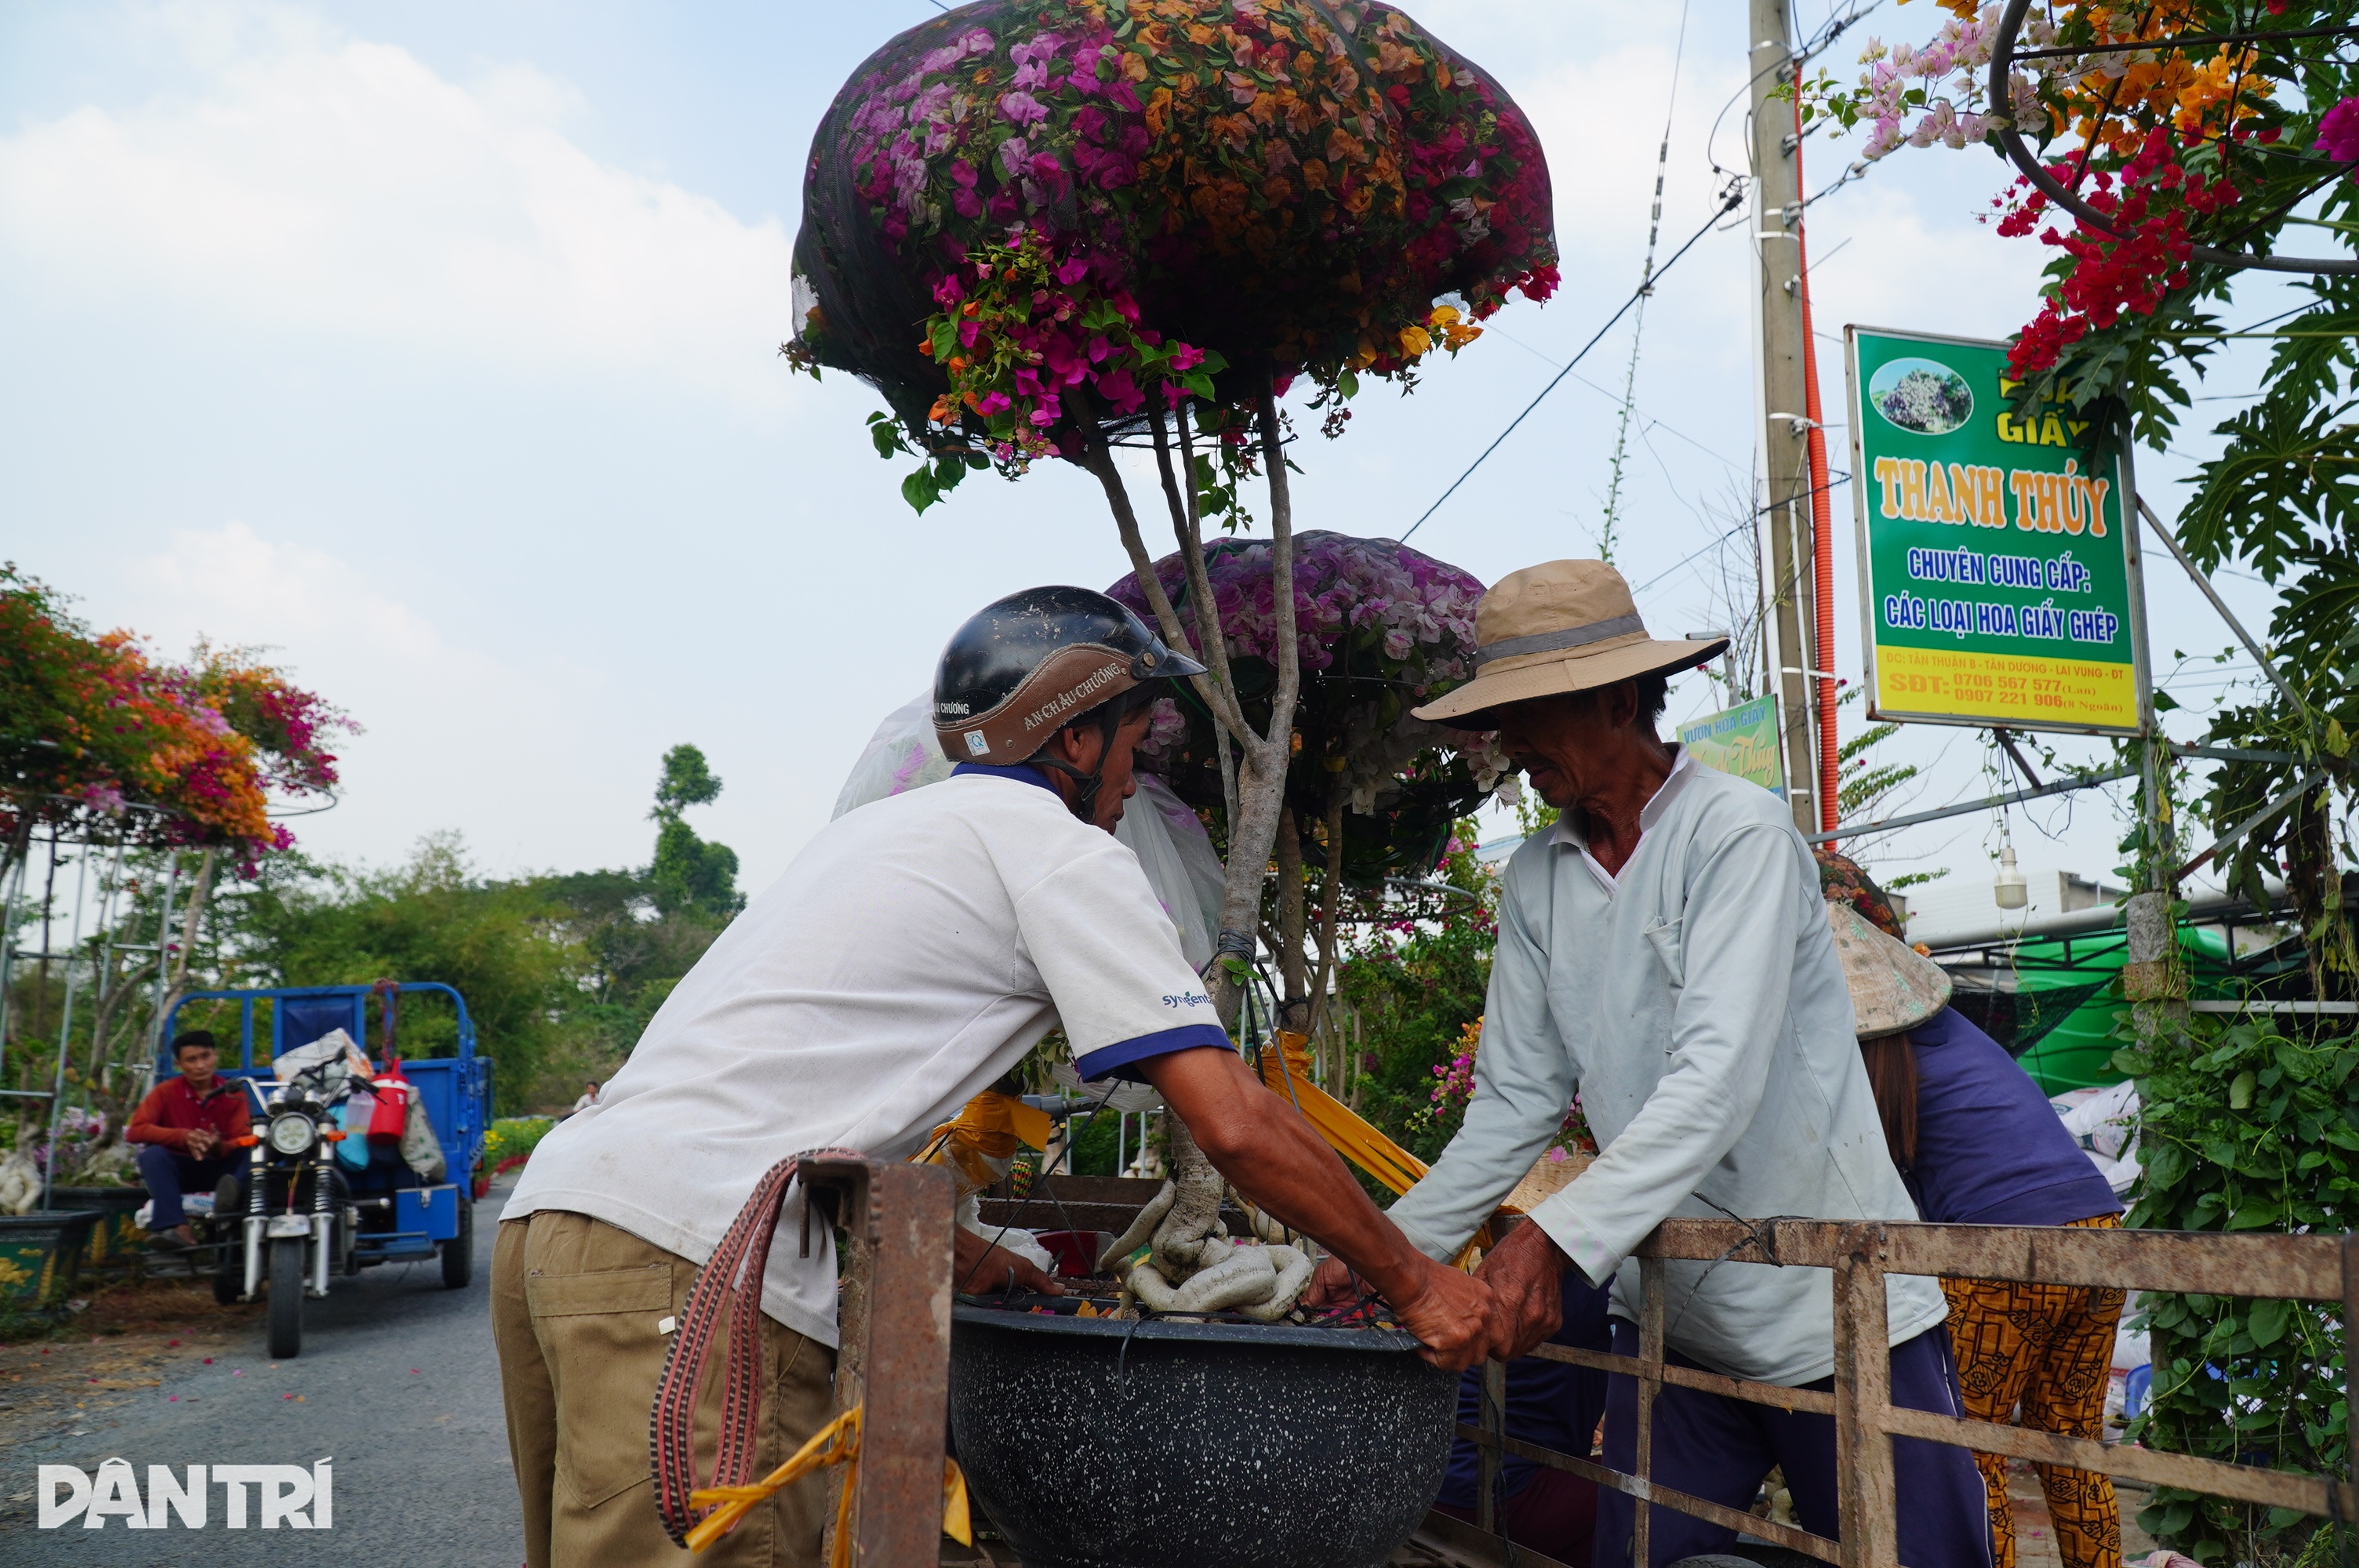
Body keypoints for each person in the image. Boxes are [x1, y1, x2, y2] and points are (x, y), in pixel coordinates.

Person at [495, 586, 1492, 1568]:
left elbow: (797, 1086)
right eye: (1136, 742)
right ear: (1071, 741)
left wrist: (967, 1260)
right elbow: (1230, 1122)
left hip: (561, 1219)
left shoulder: (879, 835)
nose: (1136, 780)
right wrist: (1412, 1281)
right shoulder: (1058, 852)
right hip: (690, 1251)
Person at [1322, 559, 1990, 1566]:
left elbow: (1714, 1081)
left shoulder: (1738, 833)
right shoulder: (1540, 874)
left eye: (1528, 714)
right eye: (1498, 719)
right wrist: (1380, 1254)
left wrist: (1547, 1240)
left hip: (1832, 1309)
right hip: (1677, 1315)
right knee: (1645, 1554)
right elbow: (1511, 1101)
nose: (1506, 746)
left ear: (1617, 698)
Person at [1824, 863, 2128, 1568]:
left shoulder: (1869, 1059)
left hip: (2004, 1252)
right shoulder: (1954, 1032)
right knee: (2072, 1449)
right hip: (2099, 1229)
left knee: (1977, 1450)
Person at [127, 1030, 253, 1250]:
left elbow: (241, 1138)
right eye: (191, 1060)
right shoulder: (165, 1092)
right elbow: (135, 1131)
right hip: (182, 1172)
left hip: (224, 1174)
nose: (200, 1065)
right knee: (152, 1155)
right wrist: (183, 1137)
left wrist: (218, 1146)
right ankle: (176, 1228)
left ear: (215, 1055)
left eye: (205, 1056)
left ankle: (230, 1210)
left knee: (252, 1151)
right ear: (179, 1063)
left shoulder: (234, 1093)